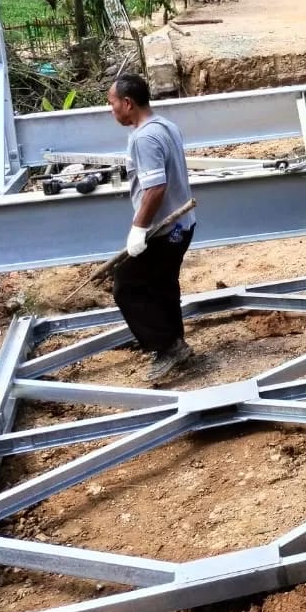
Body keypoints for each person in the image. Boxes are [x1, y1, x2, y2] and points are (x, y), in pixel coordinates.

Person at [108, 73, 198, 385]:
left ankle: (165, 346)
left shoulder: (144, 138)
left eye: (113, 103)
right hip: (182, 225)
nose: (112, 110)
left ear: (128, 103)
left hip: (165, 230)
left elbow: (155, 188)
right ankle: (175, 342)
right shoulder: (165, 126)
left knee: (126, 285)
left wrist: (138, 229)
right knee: (161, 285)